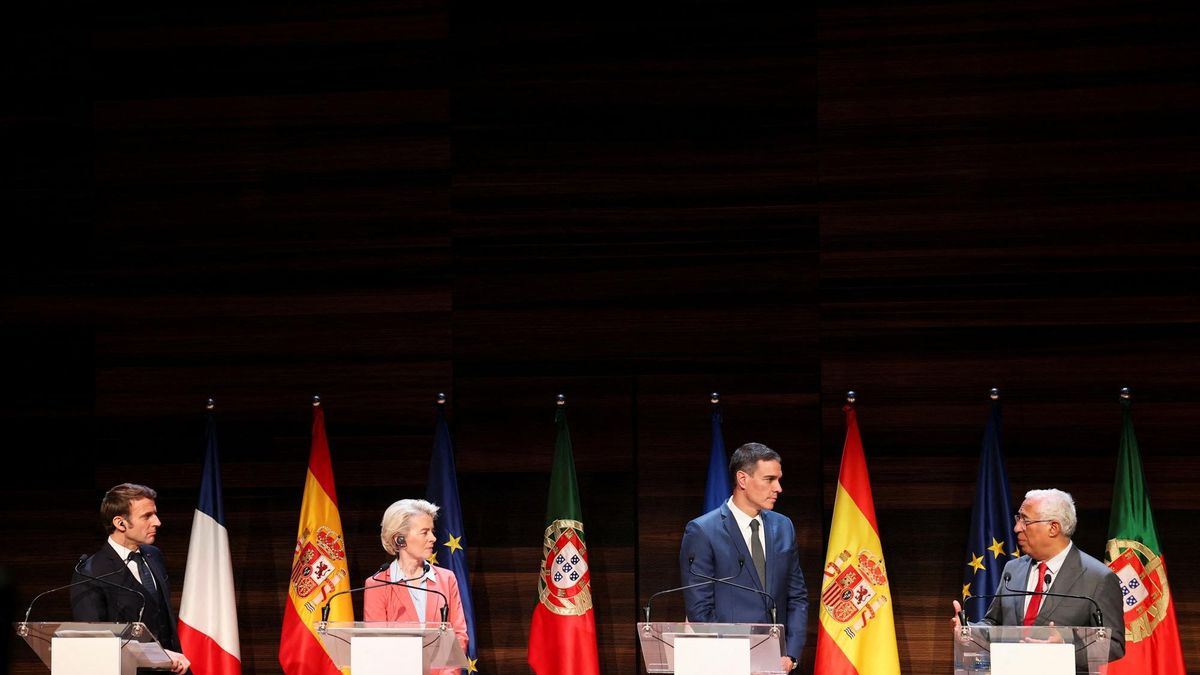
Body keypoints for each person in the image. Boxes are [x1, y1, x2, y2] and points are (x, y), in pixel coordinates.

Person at [951, 488, 1125, 666]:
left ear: (1053, 528)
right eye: (1018, 519)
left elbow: (1114, 644)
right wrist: (969, 631)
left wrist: (1065, 649)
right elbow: (995, 623)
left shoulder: (1098, 578)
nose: (1017, 528)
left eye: (1025, 520)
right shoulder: (1013, 569)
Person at [679, 442, 808, 673]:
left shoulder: (784, 526)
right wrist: (742, 660)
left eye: (778, 479)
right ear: (742, 479)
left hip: (778, 666)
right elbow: (700, 611)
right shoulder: (703, 531)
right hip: (727, 666)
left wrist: (791, 655)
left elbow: (797, 596)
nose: (778, 488)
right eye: (769, 479)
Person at [71, 483, 191, 674]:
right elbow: (95, 642)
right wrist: (158, 656)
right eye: (147, 516)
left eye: (155, 513)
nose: (157, 522)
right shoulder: (90, 572)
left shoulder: (154, 555)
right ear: (120, 523)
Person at [364, 499, 469, 674]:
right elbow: (377, 643)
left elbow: (458, 635)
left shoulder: (446, 579)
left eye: (432, 531)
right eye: (424, 532)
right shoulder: (376, 584)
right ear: (400, 540)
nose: (433, 538)